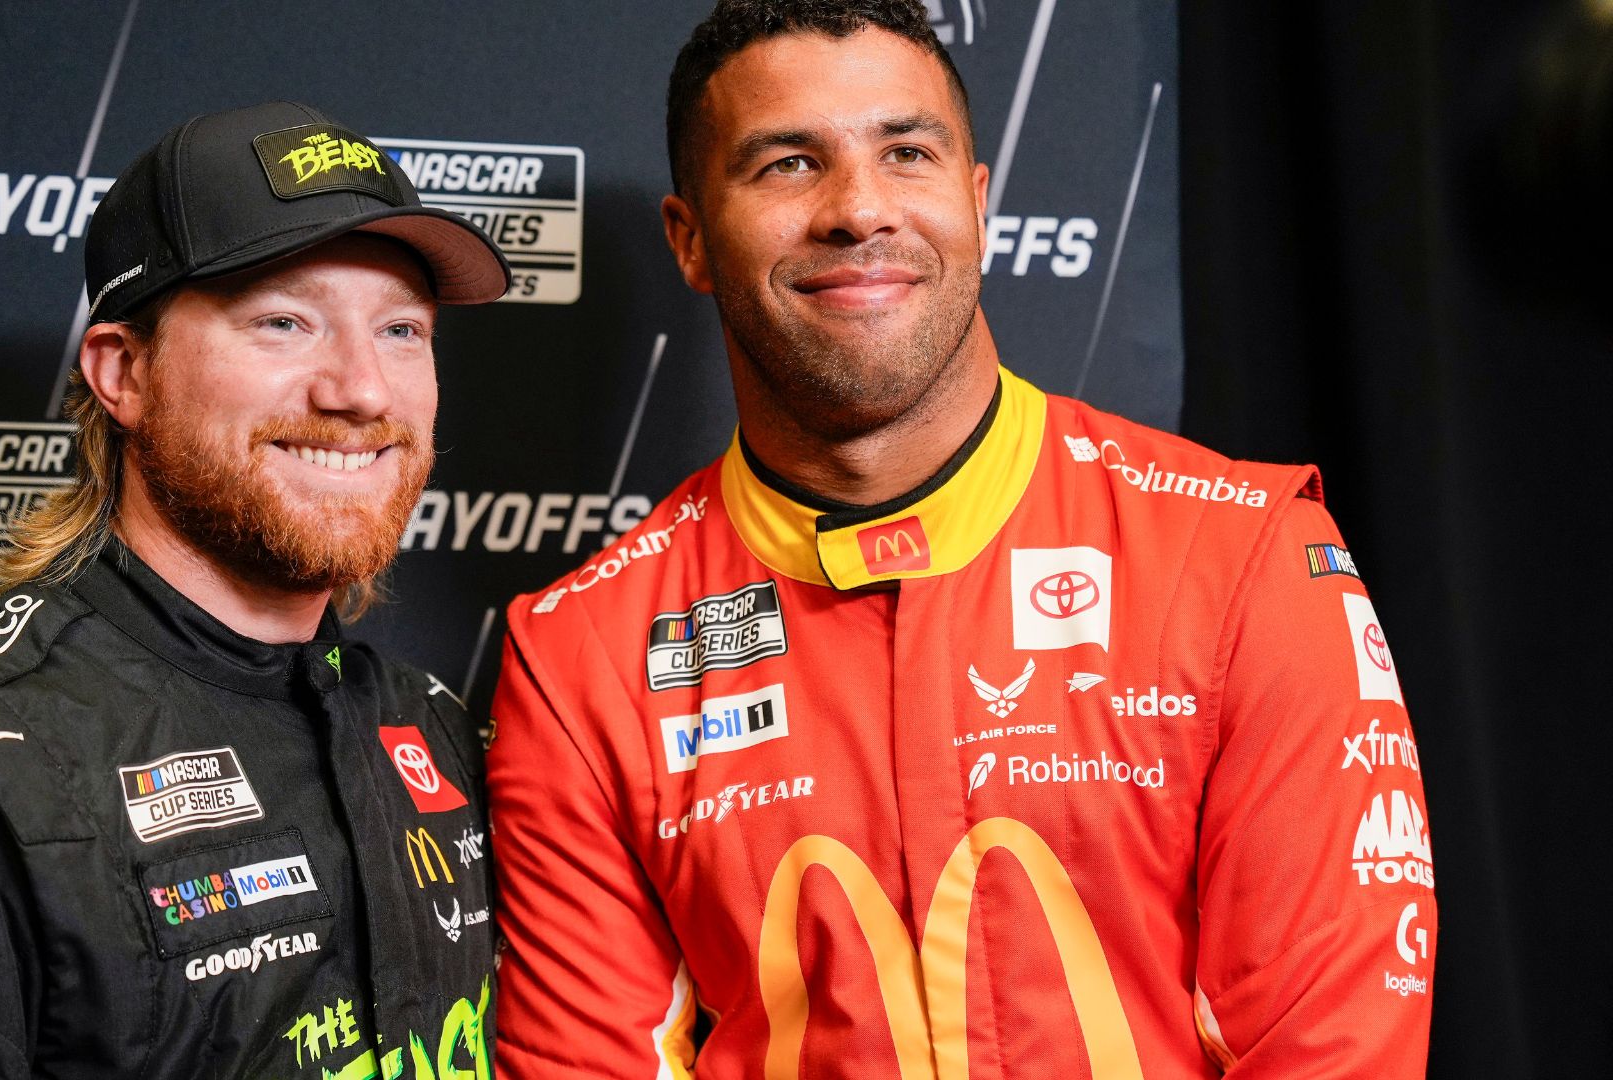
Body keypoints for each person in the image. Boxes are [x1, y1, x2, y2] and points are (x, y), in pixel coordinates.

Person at [486, 3, 1436, 1076]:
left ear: (976, 202)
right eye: (789, 164)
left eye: (907, 152)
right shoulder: (583, 659)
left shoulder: (1245, 557)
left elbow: (1328, 1049)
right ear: (691, 238)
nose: (859, 210)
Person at [0, 101, 507, 1077]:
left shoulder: (433, 727)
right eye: (283, 321)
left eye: (400, 328)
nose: (360, 389)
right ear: (122, 372)